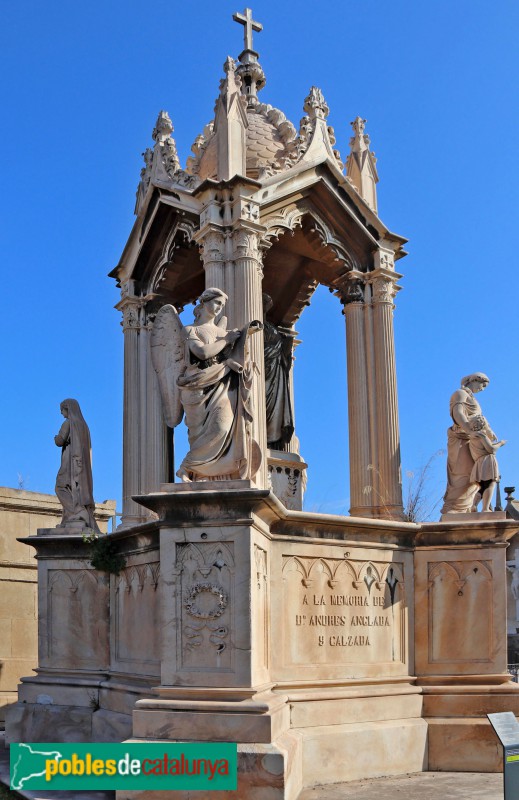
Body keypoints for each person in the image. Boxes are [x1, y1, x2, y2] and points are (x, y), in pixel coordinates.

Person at [176, 288, 262, 481]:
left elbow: (229, 357)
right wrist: (226, 340)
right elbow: (202, 353)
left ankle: (216, 473)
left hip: (221, 384)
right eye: (216, 302)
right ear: (204, 302)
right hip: (197, 386)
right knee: (199, 435)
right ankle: (190, 469)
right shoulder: (191, 330)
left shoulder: (223, 332)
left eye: (222, 305)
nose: (218, 308)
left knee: (222, 428)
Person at [441, 372, 495, 514]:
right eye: (482, 384)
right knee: (462, 473)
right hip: (460, 438)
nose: (482, 388)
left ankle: (469, 507)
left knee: (474, 475)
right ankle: (454, 508)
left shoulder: (473, 399)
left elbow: (479, 418)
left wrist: (489, 431)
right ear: (474, 380)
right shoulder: (459, 393)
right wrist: (469, 430)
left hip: (473, 439)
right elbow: (458, 413)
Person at [55, 399, 99, 530]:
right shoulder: (84, 426)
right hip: (81, 464)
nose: (61, 413)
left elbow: (60, 440)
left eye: (62, 410)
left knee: (60, 487)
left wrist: (55, 438)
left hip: (70, 462)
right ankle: (71, 516)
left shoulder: (68, 423)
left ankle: (78, 512)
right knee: (73, 489)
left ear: (68, 409)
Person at [263, 293, 295, 450]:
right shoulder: (254, 326)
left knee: (275, 411)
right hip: (260, 373)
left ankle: (273, 443)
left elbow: (283, 356)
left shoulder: (270, 327)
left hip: (276, 373)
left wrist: (285, 350)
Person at [468, 415, 505, 512]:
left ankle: (474, 505)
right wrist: (500, 443)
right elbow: (491, 449)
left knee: (483, 486)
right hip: (487, 461)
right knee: (490, 484)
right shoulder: (482, 435)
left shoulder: (472, 438)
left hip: (479, 463)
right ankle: (485, 508)